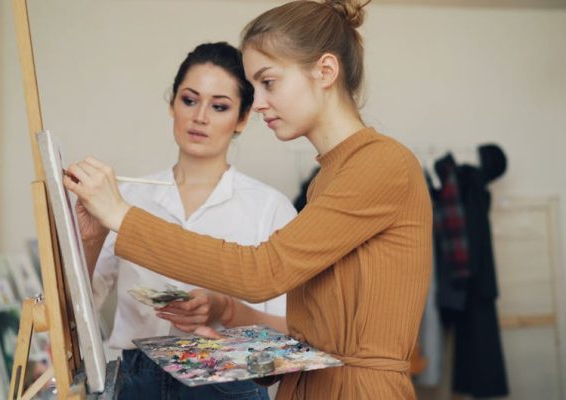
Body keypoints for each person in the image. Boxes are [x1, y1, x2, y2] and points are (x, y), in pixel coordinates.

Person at [66, 1, 432, 398]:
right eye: (253, 88)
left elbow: (261, 272)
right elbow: (309, 336)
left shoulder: (381, 164)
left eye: (268, 83)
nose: (257, 104)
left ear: (325, 71)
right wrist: (231, 339)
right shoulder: (329, 178)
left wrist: (122, 215)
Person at [83, 42, 296, 400]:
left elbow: (292, 330)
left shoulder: (270, 208)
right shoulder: (127, 199)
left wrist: (223, 308)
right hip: (138, 381)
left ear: (243, 118)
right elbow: (79, 307)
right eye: (189, 100)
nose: (200, 117)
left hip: (229, 378)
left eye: (220, 106)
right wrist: (89, 239)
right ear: (172, 103)